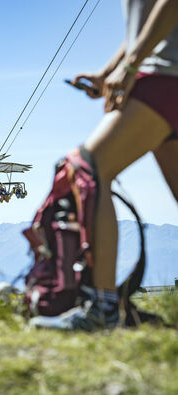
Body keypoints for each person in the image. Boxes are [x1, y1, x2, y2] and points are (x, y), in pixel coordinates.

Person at [36, 0, 178, 330]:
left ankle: (102, 309)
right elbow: (145, 23)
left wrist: (130, 67)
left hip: (164, 75)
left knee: (88, 169)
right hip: (163, 71)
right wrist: (109, 71)